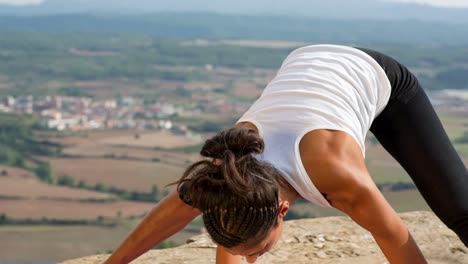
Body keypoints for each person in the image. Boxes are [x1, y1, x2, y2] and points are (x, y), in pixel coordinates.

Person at [105, 44, 468, 264]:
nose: (252, 258)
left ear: (282, 209)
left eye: (259, 251)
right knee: (240, 227)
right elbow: (169, 222)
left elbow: (395, 238)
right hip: (306, 65)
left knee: (459, 209)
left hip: (377, 76)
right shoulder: (227, 171)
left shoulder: (338, 177)